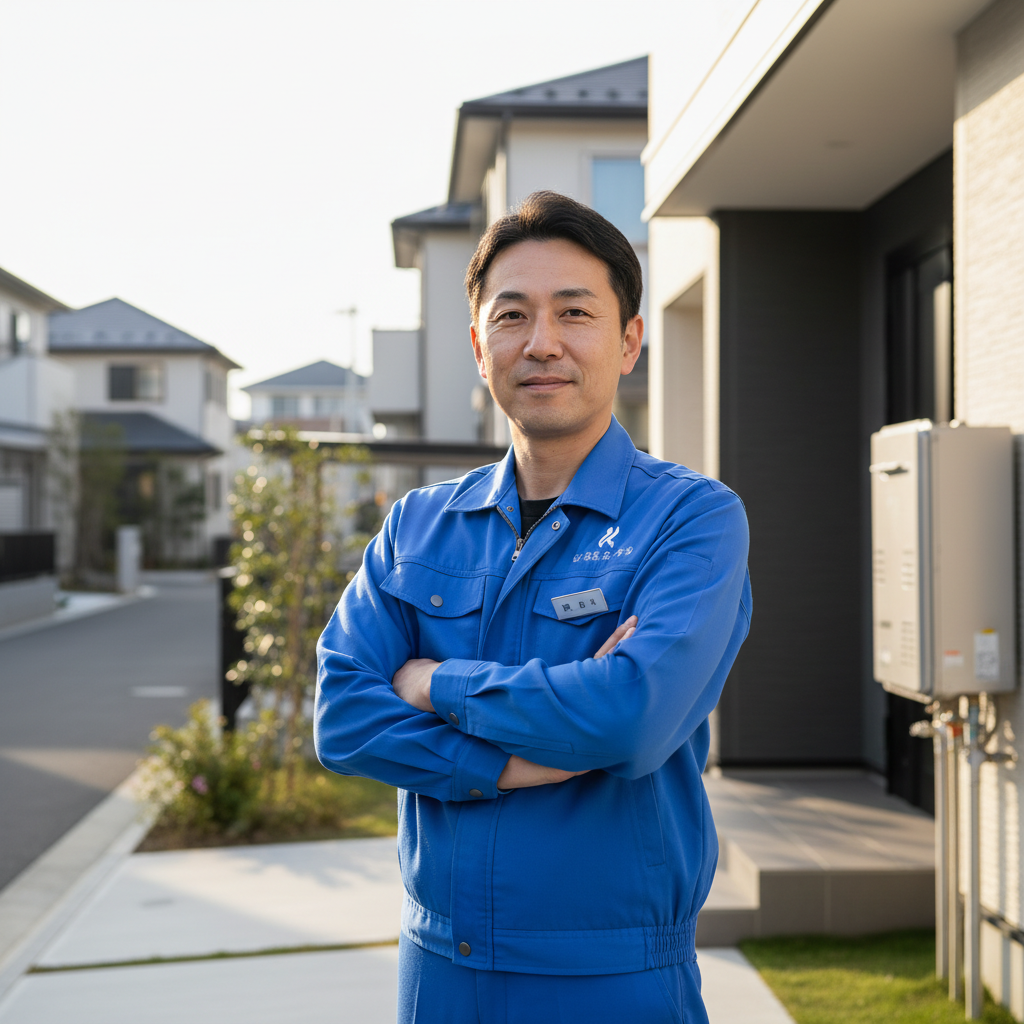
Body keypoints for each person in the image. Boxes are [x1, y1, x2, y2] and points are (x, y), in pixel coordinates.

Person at [315, 190, 751, 1024]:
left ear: (629, 341)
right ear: (480, 346)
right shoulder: (417, 525)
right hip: (438, 972)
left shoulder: (691, 519)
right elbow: (341, 717)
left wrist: (431, 682)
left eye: (575, 313)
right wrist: (506, 765)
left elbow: (628, 719)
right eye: (512, 316)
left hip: (611, 981)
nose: (542, 342)